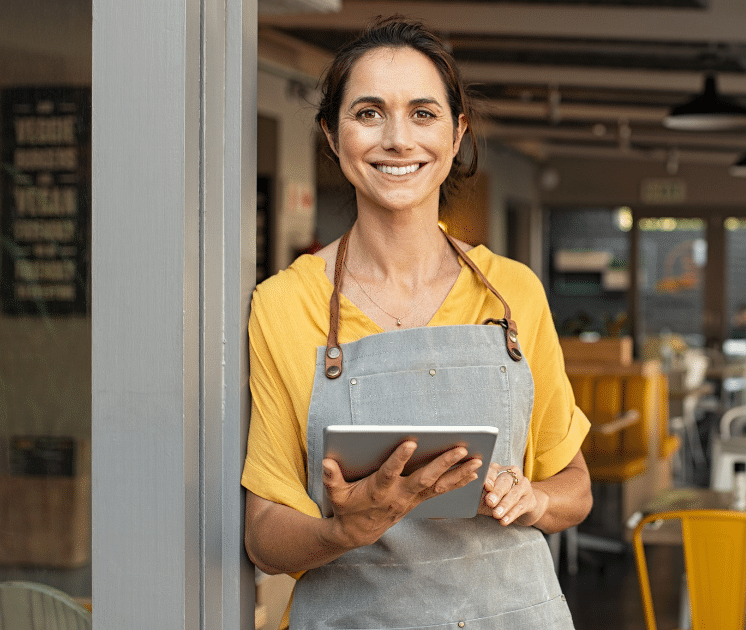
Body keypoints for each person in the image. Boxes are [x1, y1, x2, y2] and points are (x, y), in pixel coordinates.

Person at [242, 17, 590, 629]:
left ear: (457, 134)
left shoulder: (513, 295)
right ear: (331, 134)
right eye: (369, 113)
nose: (398, 139)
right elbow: (265, 535)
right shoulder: (283, 305)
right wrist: (342, 528)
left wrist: (533, 499)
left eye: (423, 113)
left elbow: (574, 485)